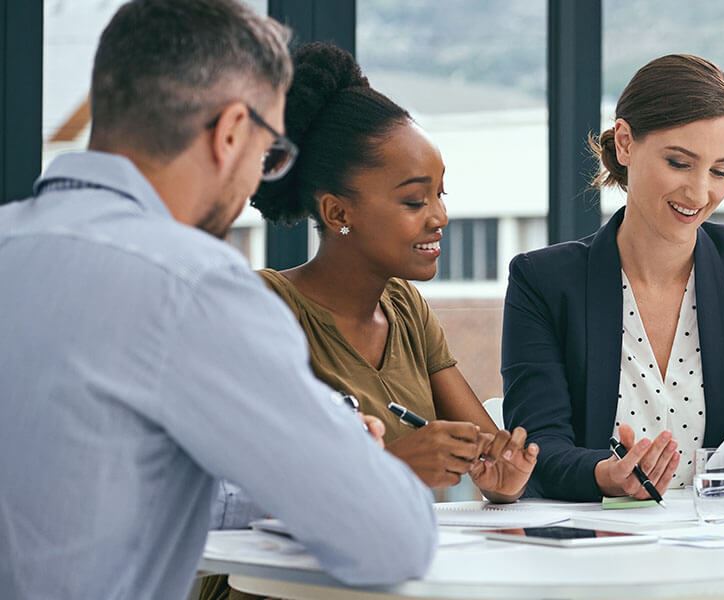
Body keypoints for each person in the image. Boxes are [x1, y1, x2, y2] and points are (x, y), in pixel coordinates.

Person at [0, 2, 437, 599]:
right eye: (268, 155)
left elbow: (85, 494)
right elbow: (393, 539)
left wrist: (285, 473)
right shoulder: (192, 285)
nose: (258, 180)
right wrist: (334, 443)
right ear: (232, 132)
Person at [501, 54, 724, 502]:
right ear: (625, 143)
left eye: (720, 170)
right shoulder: (542, 281)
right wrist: (604, 475)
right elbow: (538, 449)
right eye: (679, 163)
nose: (699, 193)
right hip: (595, 542)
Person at [251, 42, 539, 500]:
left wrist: (502, 480)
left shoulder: (405, 309)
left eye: (441, 194)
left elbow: (488, 454)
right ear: (338, 213)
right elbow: (253, 485)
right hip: (273, 571)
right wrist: (394, 465)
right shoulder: (264, 308)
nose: (439, 216)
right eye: (414, 200)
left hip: (393, 563)